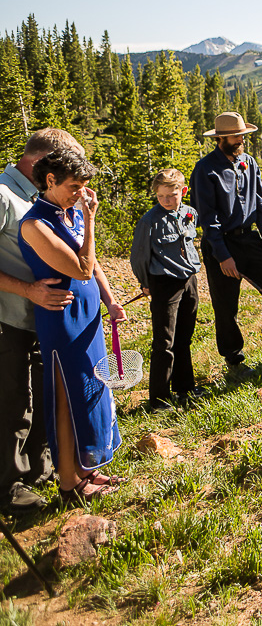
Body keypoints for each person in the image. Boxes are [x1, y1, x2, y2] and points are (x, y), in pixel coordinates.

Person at [18, 148, 123, 502]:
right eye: (75, 186)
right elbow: (79, 268)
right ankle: (68, 483)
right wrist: (90, 220)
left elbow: (94, 265)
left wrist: (109, 300)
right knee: (67, 393)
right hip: (62, 318)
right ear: (50, 181)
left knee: (94, 386)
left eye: (84, 187)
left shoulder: (68, 213)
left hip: (89, 313)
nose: (82, 194)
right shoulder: (35, 224)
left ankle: (87, 467)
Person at [0, 129, 78, 513]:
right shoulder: (2, 195)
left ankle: (39, 471)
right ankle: (7, 487)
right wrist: (27, 291)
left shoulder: (37, 196)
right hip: (8, 319)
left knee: (39, 395)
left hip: (40, 321)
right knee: (13, 401)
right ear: (40, 162)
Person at [190, 112, 262, 378]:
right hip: (220, 243)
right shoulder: (205, 169)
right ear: (221, 138)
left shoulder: (249, 162)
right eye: (236, 136)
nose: (241, 140)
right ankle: (234, 360)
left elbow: (260, 203)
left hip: (250, 239)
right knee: (226, 305)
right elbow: (207, 218)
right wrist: (223, 256)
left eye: (243, 135)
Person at [130, 169, 201, 412]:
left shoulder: (190, 214)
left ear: (183, 191)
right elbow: (139, 256)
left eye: (171, 195)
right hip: (163, 282)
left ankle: (185, 388)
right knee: (165, 341)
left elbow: (188, 244)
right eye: (161, 196)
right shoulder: (150, 221)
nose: (166, 201)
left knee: (185, 337)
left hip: (188, 278)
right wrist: (145, 283)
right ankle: (159, 399)